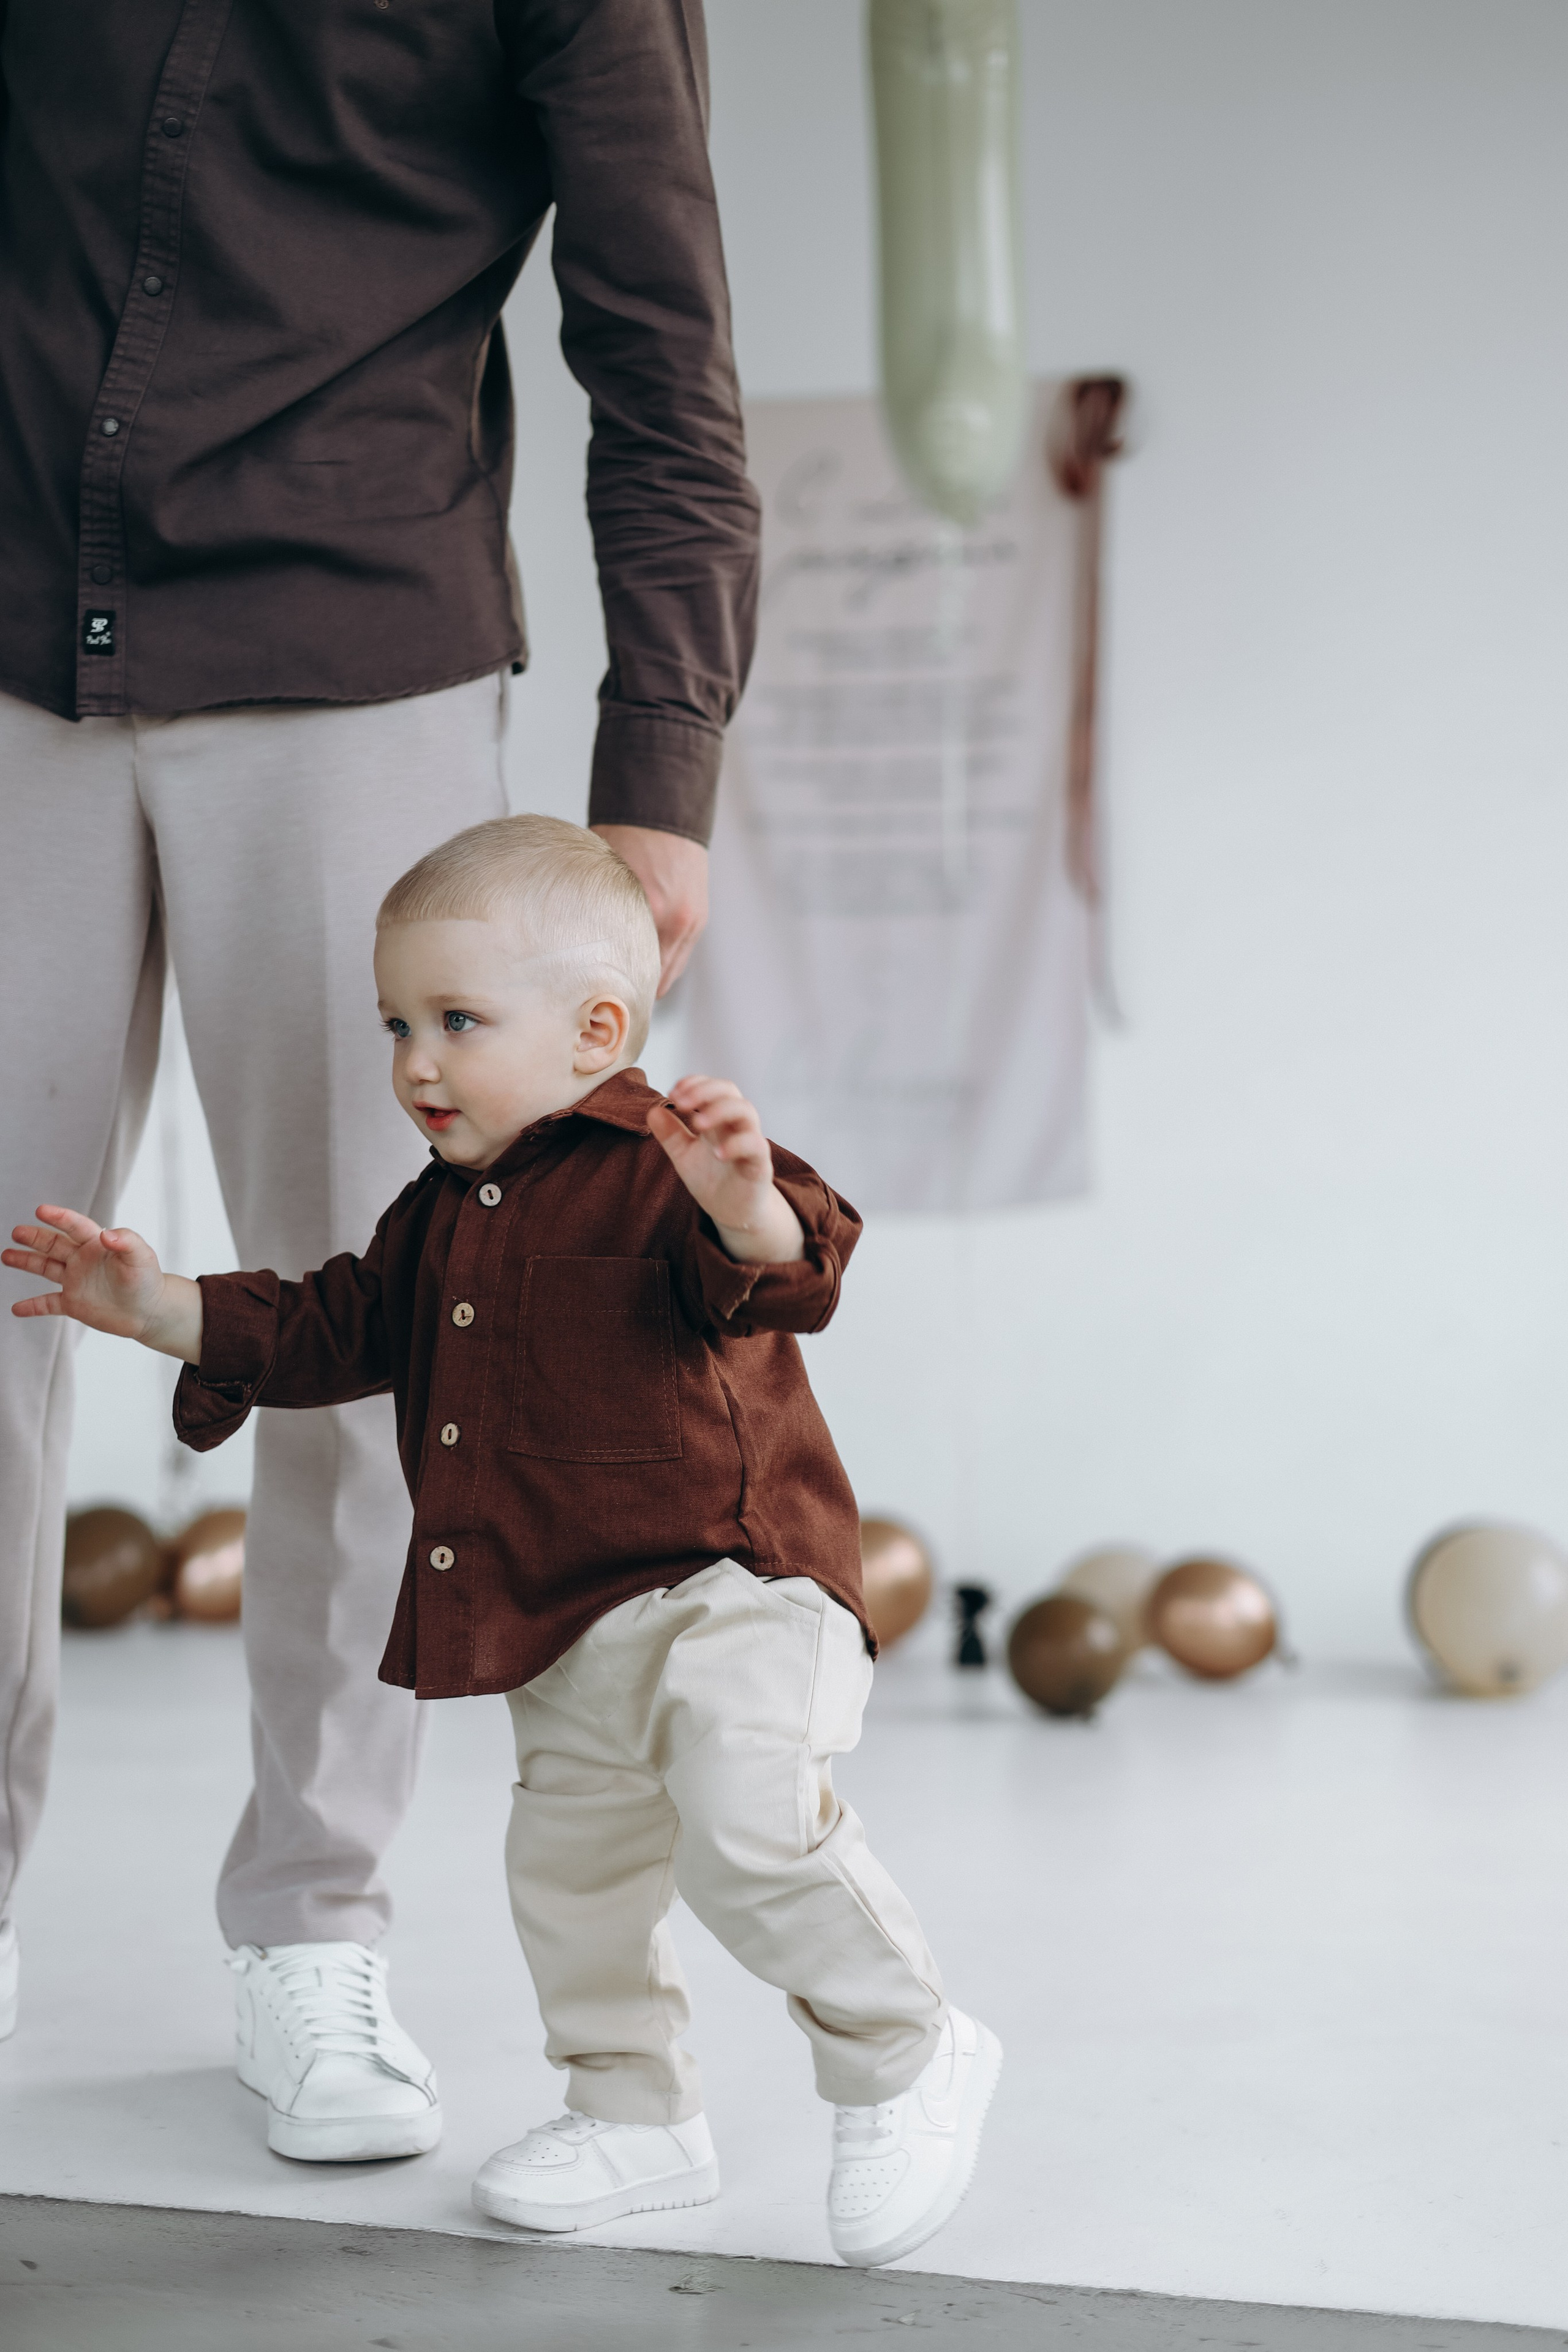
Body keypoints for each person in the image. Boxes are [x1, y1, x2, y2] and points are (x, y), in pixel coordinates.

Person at [0, 0, 760, 2141]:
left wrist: (660, 771)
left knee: (389, 1322)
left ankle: (312, 1927)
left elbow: (664, 352)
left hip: (354, 671)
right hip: (9, 644)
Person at [4, 816, 1002, 2266]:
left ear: (597, 1028)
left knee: (747, 1814)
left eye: (455, 1022)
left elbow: (788, 1269)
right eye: (396, 1024)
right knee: (572, 1878)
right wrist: (160, 1309)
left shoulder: (665, 1167)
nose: (414, 1062)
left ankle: (905, 2049)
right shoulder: (434, 1218)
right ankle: (634, 2114)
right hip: (560, 1618)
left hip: (731, 1588)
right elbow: (331, 1324)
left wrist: (747, 1211)